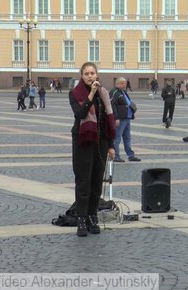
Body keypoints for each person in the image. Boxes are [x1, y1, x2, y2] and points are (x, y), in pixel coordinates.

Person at [68, 62, 116, 237]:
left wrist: (111, 145)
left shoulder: (103, 94)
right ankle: (81, 219)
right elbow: (80, 114)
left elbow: (108, 120)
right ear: (81, 75)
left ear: (97, 74)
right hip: (83, 141)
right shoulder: (76, 94)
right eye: (86, 73)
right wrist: (91, 95)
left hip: (101, 142)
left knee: (96, 182)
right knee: (83, 182)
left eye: (92, 73)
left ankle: (92, 216)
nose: (90, 76)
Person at [110, 77, 141, 163]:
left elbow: (128, 103)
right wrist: (116, 118)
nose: (124, 85)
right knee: (117, 138)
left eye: (125, 83)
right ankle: (116, 156)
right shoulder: (114, 92)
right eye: (122, 83)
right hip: (120, 119)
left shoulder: (124, 92)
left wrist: (132, 113)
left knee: (127, 138)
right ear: (117, 84)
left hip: (127, 118)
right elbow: (112, 106)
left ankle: (130, 155)